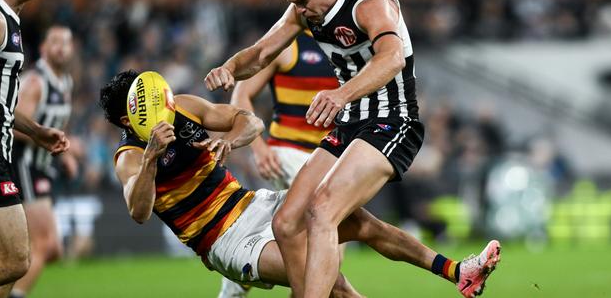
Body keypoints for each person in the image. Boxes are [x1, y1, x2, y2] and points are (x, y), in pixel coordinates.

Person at [204, 0, 501, 298]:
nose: (298, 10)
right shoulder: (305, 11)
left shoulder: (372, 4)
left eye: (302, 0)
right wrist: (230, 68)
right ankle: (456, 271)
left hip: (393, 121)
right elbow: (262, 52)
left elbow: (392, 59)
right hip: (350, 125)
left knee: (322, 211)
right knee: (286, 223)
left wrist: (340, 95)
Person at [102, 70, 500, 296]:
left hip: (253, 203)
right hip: (223, 240)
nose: (160, 108)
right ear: (127, 120)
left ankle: (458, 272)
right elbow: (138, 211)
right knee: (324, 282)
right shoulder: (130, 157)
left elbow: (249, 120)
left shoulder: (183, 107)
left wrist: (232, 140)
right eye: (148, 106)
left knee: (364, 224)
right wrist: (153, 156)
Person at [220, 31, 338, 297]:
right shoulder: (289, 44)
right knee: (323, 251)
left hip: (329, 157)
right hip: (288, 152)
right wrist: (259, 149)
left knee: (314, 256)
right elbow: (241, 95)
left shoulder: (344, 42)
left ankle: (237, 281)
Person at [0, 0, 70, 297]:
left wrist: (38, 130)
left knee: (12, 261)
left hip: (5, 154)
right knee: (15, 260)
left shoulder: (12, 23)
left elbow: (3, 104)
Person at [10, 26, 76, 298]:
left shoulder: (66, 82)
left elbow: (58, 124)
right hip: (25, 165)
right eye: (55, 42)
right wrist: (41, 138)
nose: (61, 47)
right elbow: (13, 125)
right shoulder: (37, 82)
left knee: (50, 248)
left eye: (66, 43)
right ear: (43, 49)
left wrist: (67, 154)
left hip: (43, 168)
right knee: (46, 244)